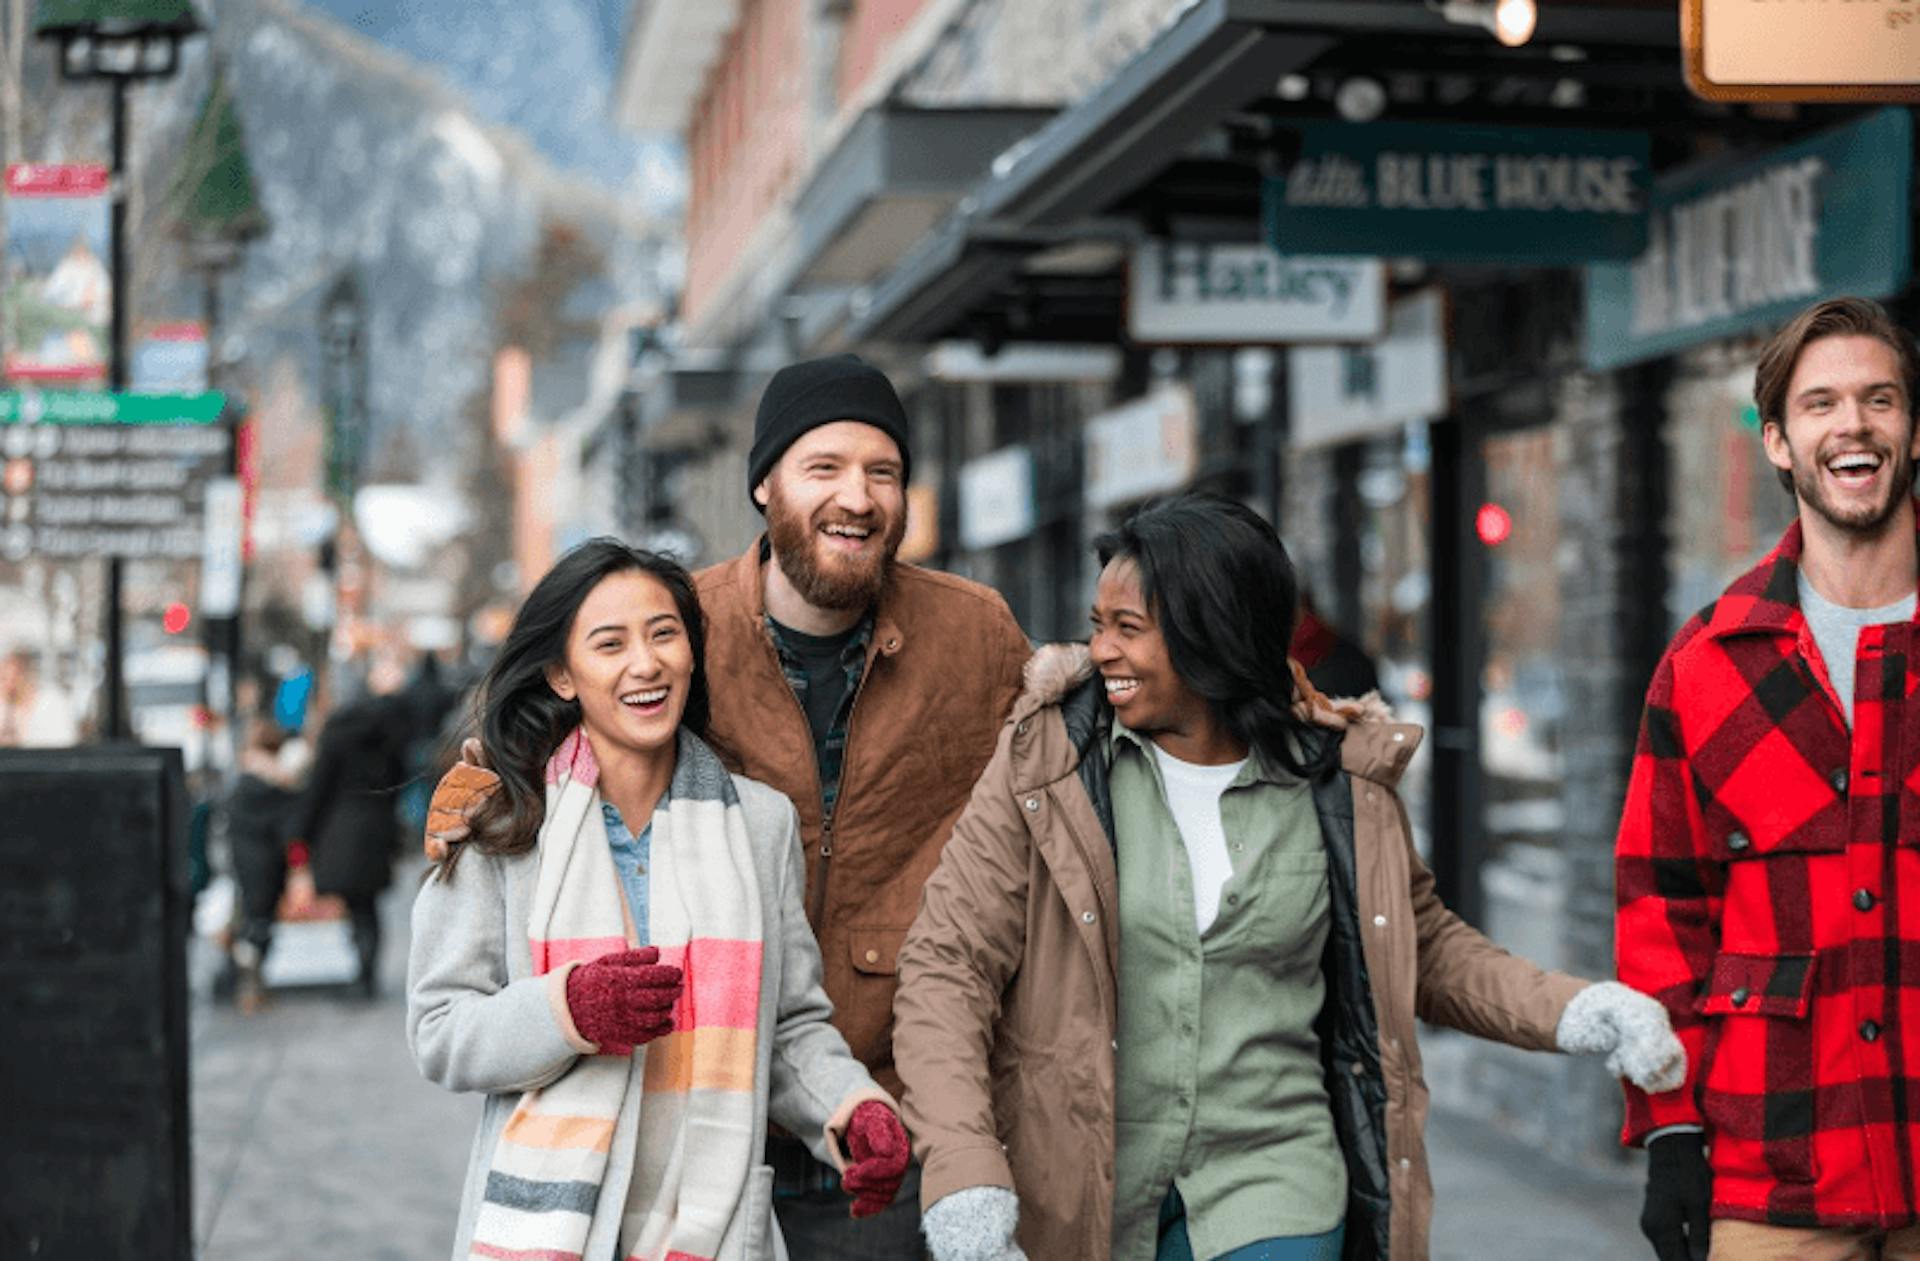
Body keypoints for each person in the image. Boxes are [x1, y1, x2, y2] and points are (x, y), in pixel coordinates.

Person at [893, 492, 1686, 1261]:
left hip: (1275, 1179)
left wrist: (1579, 1008)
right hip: (1080, 1189)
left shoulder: (1339, 785)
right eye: (1098, 625)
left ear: (1213, 637)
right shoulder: (1049, 765)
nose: (1102, 650)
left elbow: (1425, 948)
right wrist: (964, 1172)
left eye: (1128, 629)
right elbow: (948, 966)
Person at [428, 353, 1032, 1255]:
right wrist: (482, 790)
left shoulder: (971, 638)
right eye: (824, 467)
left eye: (883, 471)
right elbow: (443, 1021)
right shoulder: (673, 643)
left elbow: (1066, 760)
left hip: (868, 1116)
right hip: (591, 1193)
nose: (857, 497)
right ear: (764, 483)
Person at [408, 539, 911, 1261]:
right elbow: (440, 1029)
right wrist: (568, 1010)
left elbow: (791, 1024)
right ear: (561, 673)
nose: (645, 664)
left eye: (664, 634)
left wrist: (852, 1106)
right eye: (609, 644)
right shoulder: (503, 822)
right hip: (551, 1232)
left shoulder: (757, 824)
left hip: (711, 1230)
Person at [1615, 297, 1920, 1261]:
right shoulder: (1709, 661)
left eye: (1880, 399)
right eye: (1821, 403)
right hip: (1774, 1160)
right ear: (1780, 443)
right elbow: (1664, 916)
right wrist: (1669, 1126)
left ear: (1915, 430)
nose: (1854, 424)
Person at [292, 674, 410, 997]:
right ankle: (367, 972)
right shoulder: (387, 733)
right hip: (376, 825)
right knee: (368, 905)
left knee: (351, 904)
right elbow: (400, 778)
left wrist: (301, 832)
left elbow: (319, 787)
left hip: (340, 827)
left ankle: (360, 973)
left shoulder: (335, 734)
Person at [223, 718, 303, 1011]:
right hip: (268, 865)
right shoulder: (280, 785)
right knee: (260, 924)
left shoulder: (241, 784)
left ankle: (244, 983)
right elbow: (290, 830)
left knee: (251, 920)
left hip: (245, 864)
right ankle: (250, 986)